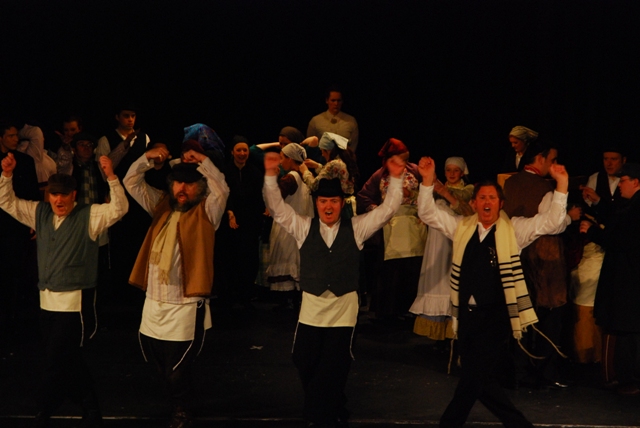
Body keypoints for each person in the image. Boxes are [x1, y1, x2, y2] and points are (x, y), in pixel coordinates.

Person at [416, 156, 569, 428]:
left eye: (492, 198)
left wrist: (562, 186)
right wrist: (427, 182)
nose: (487, 202)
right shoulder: (461, 227)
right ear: (474, 203)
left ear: (501, 204)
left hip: (496, 317)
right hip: (466, 316)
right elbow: (428, 214)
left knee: (473, 376)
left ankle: (449, 424)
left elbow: (552, 222)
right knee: (478, 379)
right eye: (482, 198)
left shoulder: (515, 229)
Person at [264, 151, 406, 428]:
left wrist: (397, 178)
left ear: (342, 204)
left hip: (343, 310)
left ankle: (319, 415)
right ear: (316, 203)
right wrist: (270, 176)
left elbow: (388, 209)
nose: (328, 206)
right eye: (323, 201)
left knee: (334, 366)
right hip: (312, 309)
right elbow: (278, 209)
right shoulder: (304, 227)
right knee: (303, 359)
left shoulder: (357, 228)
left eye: (333, 201)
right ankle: (334, 404)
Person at [0, 152, 128, 427]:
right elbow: (7, 202)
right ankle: (90, 408)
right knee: (67, 358)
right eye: (54, 195)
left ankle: (44, 409)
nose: (58, 200)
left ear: (73, 195)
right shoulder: (40, 213)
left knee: (54, 359)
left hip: (74, 302)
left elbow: (119, 209)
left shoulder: (89, 215)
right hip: (46, 301)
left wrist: (111, 178)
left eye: (64, 195)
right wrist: (7, 175)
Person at [124, 146, 229, 427]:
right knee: (158, 363)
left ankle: (182, 410)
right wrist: (147, 159)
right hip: (154, 301)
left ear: (200, 187)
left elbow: (222, 189)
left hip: (185, 304)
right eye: (178, 183)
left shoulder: (208, 210)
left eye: (189, 184)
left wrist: (203, 160)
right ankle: (181, 402)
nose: (182, 189)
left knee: (178, 368)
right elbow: (131, 182)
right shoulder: (161, 204)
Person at [502, 138, 580, 389]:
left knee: (522, 316)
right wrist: (570, 217)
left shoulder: (511, 182)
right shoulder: (545, 188)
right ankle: (547, 372)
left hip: (515, 255)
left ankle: (519, 371)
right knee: (550, 316)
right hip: (544, 258)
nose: (554, 164)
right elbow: (553, 224)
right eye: (552, 159)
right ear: (540, 158)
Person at [581, 162, 640, 396]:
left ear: (636, 182)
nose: (619, 185)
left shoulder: (636, 209)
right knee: (626, 328)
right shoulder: (631, 205)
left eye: (623, 181)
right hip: (627, 278)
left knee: (627, 329)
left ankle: (628, 379)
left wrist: (592, 232)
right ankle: (625, 378)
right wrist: (598, 205)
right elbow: (617, 219)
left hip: (629, 280)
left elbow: (620, 238)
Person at [356, 138, 425, 320]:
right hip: (391, 227)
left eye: (406, 159)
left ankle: (411, 309)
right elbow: (363, 196)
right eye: (402, 159)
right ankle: (389, 311)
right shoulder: (380, 175)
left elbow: (430, 192)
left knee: (412, 268)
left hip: (413, 226)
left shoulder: (415, 171)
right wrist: (378, 212)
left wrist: (422, 209)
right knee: (392, 271)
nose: (405, 163)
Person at [410, 157, 474, 341]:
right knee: (437, 278)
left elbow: (467, 211)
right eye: (448, 170)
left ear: (462, 172)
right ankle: (437, 332)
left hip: (455, 240)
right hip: (436, 242)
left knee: (451, 280)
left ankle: (453, 329)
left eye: (456, 170)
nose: (452, 174)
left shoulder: (468, 191)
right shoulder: (435, 189)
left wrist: (442, 190)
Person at [0, 121, 40, 354]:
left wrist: (33, 221)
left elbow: (32, 192)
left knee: (18, 273)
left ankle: (17, 324)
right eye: (11, 136)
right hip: (4, 223)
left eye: (17, 135)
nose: (16, 139)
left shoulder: (25, 161)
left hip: (17, 224)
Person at [266, 143, 314, 308]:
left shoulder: (290, 178)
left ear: (290, 159)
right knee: (296, 260)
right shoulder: (305, 176)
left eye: (282, 158)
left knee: (287, 258)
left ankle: (286, 299)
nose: (280, 162)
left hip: (288, 227)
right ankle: (296, 298)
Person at [300, 132, 359, 217]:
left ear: (328, 150)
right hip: (347, 205)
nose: (322, 154)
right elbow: (331, 173)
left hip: (341, 207)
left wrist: (305, 171)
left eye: (322, 151)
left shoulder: (334, 164)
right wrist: (317, 166)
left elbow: (314, 185)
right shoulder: (341, 160)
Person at [307, 88, 359, 152]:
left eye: (339, 100)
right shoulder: (316, 120)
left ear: (342, 101)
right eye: (333, 100)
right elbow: (310, 144)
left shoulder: (351, 121)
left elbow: (353, 145)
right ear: (327, 101)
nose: (336, 103)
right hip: (322, 157)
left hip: (343, 157)